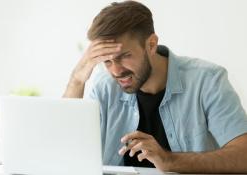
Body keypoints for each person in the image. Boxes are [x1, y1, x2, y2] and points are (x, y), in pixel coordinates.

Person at [63, 1, 247, 173]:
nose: (116, 70)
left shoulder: (207, 80)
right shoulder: (105, 86)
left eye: (124, 56)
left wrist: (169, 160)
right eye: (107, 60)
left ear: (151, 44)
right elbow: (64, 150)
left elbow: (243, 156)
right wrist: (78, 79)